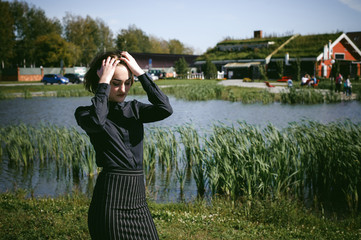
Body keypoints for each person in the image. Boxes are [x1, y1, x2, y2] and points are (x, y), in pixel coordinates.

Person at [75, 51, 173, 240]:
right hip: (110, 203)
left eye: (128, 83)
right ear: (101, 81)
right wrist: (104, 82)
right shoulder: (85, 114)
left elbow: (165, 109)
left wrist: (141, 74)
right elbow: (98, 121)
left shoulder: (134, 109)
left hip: (138, 202)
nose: (123, 90)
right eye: (115, 83)